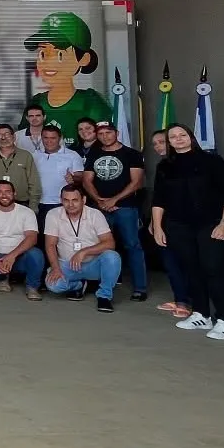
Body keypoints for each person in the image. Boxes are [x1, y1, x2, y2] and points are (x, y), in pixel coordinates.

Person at [155, 125, 224, 330]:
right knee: (191, 269)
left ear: (191, 137)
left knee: (213, 269)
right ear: (169, 142)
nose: (178, 139)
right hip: (179, 226)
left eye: (182, 135)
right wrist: (157, 227)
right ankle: (201, 314)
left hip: (211, 224)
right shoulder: (165, 166)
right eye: (173, 137)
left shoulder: (213, 161)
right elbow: (159, 199)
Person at [81, 121, 148, 301]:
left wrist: (114, 200)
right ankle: (98, 282)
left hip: (126, 207)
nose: (105, 136)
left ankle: (140, 287)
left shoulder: (132, 154)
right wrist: (99, 200)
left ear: (117, 133)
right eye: (101, 134)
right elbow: (87, 180)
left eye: (108, 132)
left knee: (132, 245)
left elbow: (137, 182)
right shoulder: (94, 153)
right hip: (100, 208)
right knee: (98, 245)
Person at [22, 12, 112, 130]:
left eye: (59, 55)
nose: (48, 62)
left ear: (84, 59)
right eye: (43, 54)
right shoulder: (37, 102)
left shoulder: (91, 101)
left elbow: (103, 135)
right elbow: (24, 135)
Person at [44, 185, 121, 313]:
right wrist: (55, 268)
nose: (70, 204)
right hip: (67, 264)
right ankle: (78, 285)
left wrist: (84, 252)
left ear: (83, 200)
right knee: (53, 284)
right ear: (61, 200)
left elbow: (109, 243)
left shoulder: (95, 214)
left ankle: (104, 296)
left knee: (112, 257)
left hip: (92, 264)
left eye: (75, 200)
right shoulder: (53, 214)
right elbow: (50, 245)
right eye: (66, 200)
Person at [0, 181, 45, 299]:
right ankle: (2, 278)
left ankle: (32, 287)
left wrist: (12, 255)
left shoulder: (26, 212)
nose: (4, 195)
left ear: (14, 193)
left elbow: (32, 238)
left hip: (20, 255)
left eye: (7, 191)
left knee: (36, 255)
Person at [32, 124, 85, 236]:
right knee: (42, 238)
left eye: (53, 138)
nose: (49, 141)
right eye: (46, 137)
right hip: (39, 204)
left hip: (62, 204)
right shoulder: (34, 156)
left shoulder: (72, 155)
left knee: (64, 236)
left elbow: (81, 177)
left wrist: (73, 178)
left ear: (60, 138)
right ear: (41, 138)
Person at [0, 123, 42, 209]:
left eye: (7, 134)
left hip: (21, 203)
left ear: (14, 137)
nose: (3, 138)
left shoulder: (25, 156)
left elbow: (33, 182)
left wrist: (33, 206)